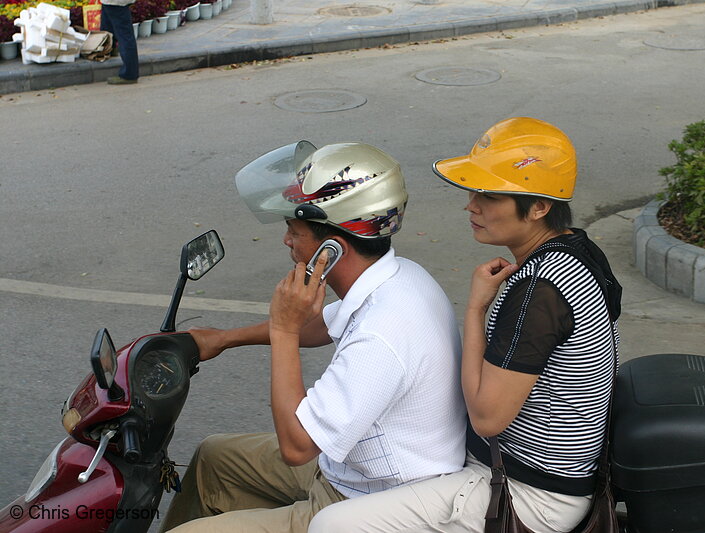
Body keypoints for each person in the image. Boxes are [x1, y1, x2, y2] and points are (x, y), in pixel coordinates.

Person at [308, 117, 622, 533]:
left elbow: (487, 419)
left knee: (332, 526)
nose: (471, 205)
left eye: (489, 195)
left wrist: (475, 309)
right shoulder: (577, 250)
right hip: (536, 469)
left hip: (529, 491)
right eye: (474, 191)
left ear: (540, 206)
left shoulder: (539, 291)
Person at [159, 141, 467, 533]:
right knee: (212, 459)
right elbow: (323, 324)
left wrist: (284, 328)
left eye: (293, 230)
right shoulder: (400, 277)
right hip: (348, 469)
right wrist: (223, 338)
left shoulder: (381, 335)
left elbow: (296, 446)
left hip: (372, 503)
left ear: (330, 250)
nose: (287, 241)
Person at [100, 0, 138, 84]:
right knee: (107, 26)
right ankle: (110, 49)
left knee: (124, 35)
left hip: (116, 3)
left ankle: (129, 74)